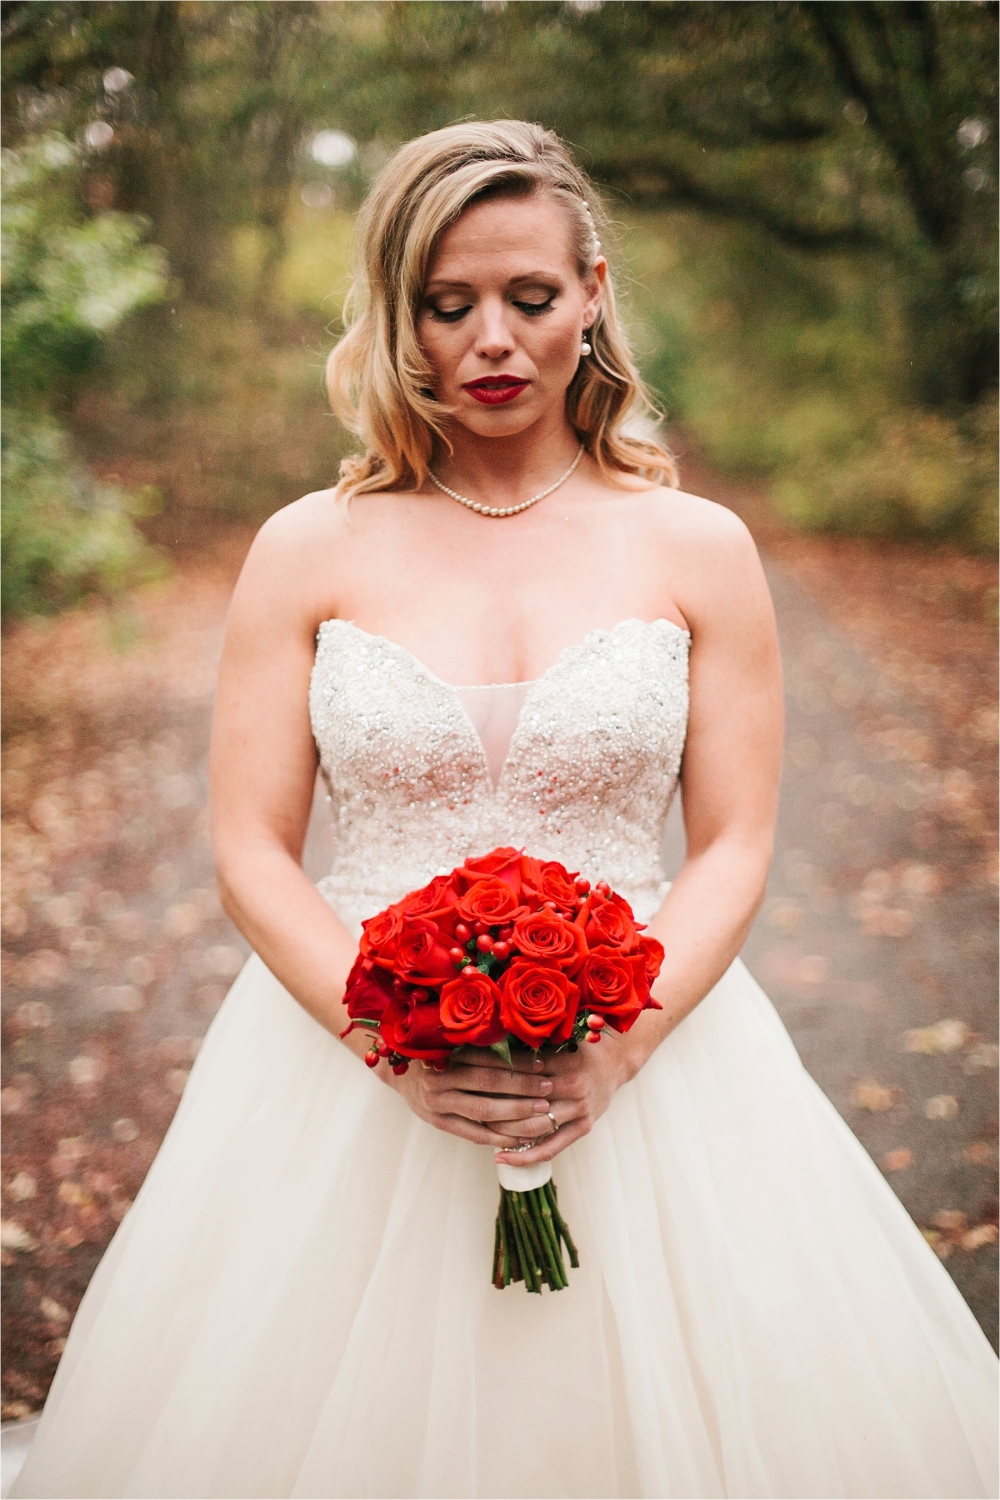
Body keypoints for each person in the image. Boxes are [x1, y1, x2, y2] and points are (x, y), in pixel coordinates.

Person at [13, 119, 997, 1500]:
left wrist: (621, 1053)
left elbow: (734, 845)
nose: (491, 339)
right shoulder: (306, 549)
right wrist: (385, 1035)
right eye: (446, 302)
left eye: (530, 298)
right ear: (396, 314)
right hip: (346, 1067)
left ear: (592, 291)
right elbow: (249, 849)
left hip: (648, 1061)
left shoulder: (698, 550)